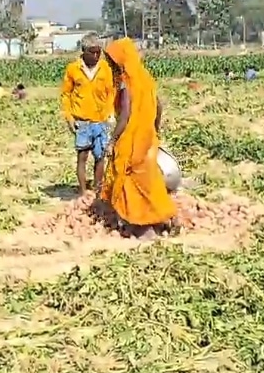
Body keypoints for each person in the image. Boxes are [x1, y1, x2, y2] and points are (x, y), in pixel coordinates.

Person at [100, 37, 179, 239]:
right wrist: (154, 130)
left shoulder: (127, 83)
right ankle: (165, 218)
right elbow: (158, 106)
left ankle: (143, 227)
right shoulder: (146, 78)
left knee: (130, 180)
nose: (110, 66)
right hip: (147, 137)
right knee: (149, 180)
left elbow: (125, 116)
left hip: (132, 139)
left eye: (111, 62)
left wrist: (112, 140)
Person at [60, 34, 115, 194]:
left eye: (98, 52)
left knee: (100, 157)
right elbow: (66, 95)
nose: (96, 56)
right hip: (82, 121)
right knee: (82, 157)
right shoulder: (73, 69)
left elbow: (110, 92)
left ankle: (98, 190)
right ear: (84, 52)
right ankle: (83, 192)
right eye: (93, 52)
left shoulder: (105, 68)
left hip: (101, 121)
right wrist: (69, 118)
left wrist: (110, 113)